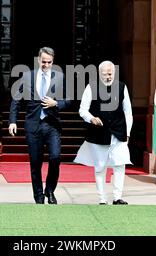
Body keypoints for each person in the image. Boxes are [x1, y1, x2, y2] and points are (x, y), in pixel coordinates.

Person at [9, 47, 71, 204]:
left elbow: (69, 100)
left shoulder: (60, 77)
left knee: (55, 157)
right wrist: (12, 121)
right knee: (35, 163)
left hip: (52, 125)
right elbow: (16, 99)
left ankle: (50, 191)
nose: (46, 65)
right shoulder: (27, 76)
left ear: (53, 61)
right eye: (43, 62)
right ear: (38, 60)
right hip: (33, 125)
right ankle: (38, 196)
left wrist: (56, 103)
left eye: (49, 62)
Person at [74, 61, 133, 205]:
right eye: (105, 73)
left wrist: (128, 132)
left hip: (118, 132)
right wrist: (91, 118)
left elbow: (128, 112)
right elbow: (82, 110)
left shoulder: (121, 87)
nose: (108, 76)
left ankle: (117, 197)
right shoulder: (91, 87)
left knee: (120, 164)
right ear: (99, 73)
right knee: (100, 166)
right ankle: (102, 198)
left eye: (110, 73)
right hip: (98, 133)